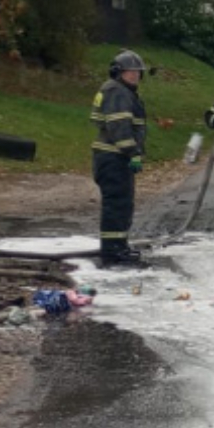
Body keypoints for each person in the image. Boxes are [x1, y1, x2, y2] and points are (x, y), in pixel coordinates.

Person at [90, 49, 148, 266]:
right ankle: (112, 251)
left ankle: (119, 246)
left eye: (138, 72)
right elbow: (119, 127)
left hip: (115, 157)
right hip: (113, 156)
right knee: (116, 205)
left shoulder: (121, 91)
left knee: (122, 204)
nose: (135, 75)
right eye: (130, 71)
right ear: (118, 72)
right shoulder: (117, 91)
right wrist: (133, 152)